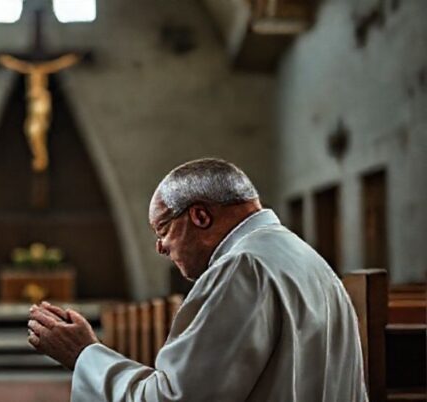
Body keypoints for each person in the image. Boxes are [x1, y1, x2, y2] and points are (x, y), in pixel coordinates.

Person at [27, 158, 368, 401]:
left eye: (162, 229)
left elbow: (176, 398)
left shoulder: (242, 268)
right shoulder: (307, 259)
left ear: (200, 216)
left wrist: (84, 355)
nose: (160, 247)